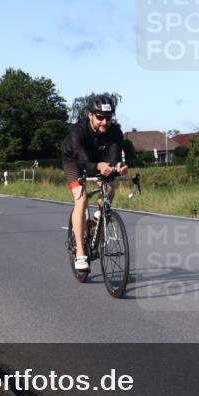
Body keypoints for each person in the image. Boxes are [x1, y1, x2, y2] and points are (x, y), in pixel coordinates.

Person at [61, 95, 127, 271]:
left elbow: (113, 158)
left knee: (110, 189)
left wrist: (117, 167)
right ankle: (81, 255)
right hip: (74, 162)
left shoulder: (115, 132)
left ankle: (98, 217)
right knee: (81, 200)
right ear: (90, 115)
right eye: (100, 117)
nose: (105, 122)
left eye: (108, 118)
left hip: (98, 161)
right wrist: (99, 167)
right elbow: (82, 161)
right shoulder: (78, 131)